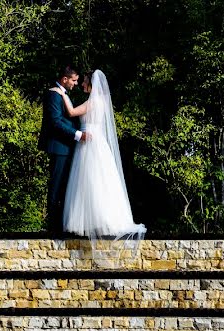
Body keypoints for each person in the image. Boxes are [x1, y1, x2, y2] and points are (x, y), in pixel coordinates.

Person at [50, 69, 146, 243]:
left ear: (92, 84)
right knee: (100, 180)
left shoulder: (93, 101)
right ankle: (100, 220)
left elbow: (71, 113)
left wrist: (61, 93)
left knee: (90, 181)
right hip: (97, 142)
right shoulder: (102, 101)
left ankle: (95, 221)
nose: (82, 85)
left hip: (89, 143)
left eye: (85, 81)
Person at [38, 65, 92, 236]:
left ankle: (62, 225)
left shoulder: (63, 94)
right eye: (74, 80)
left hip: (69, 146)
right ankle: (53, 228)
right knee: (56, 186)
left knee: (65, 187)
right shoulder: (53, 94)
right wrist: (77, 134)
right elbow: (55, 122)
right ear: (65, 79)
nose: (76, 84)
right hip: (59, 147)